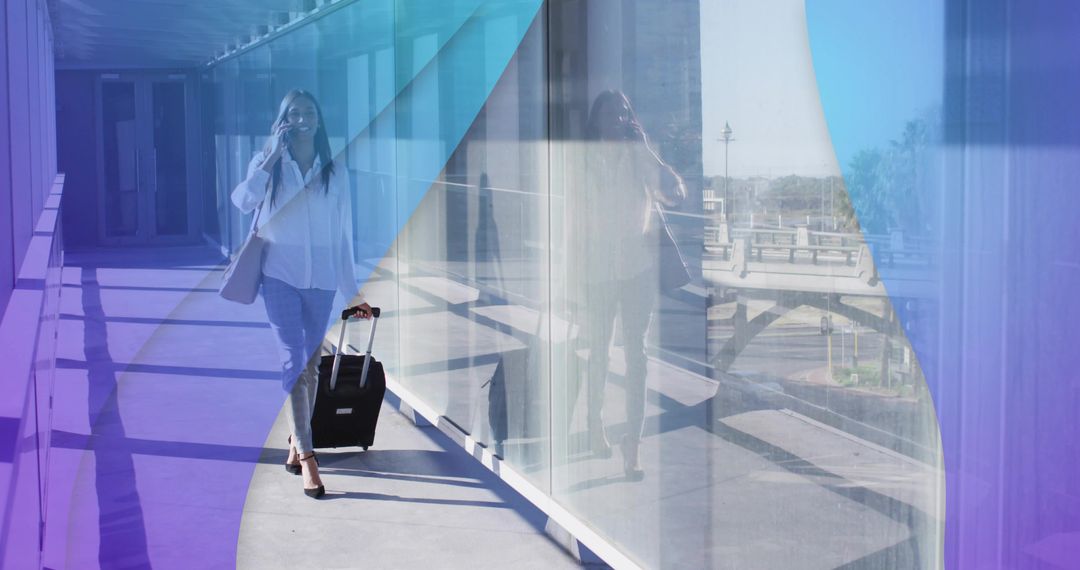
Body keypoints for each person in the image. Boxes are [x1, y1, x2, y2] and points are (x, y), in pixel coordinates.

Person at [231, 89, 372, 498]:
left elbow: (343, 235)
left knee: (309, 369)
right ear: (283, 120)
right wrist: (273, 155)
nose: (303, 118)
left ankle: (296, 441)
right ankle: (310, 458)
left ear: (319, 119)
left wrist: (352, 292)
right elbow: (242, 201)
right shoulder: (269, 164)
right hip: (280, 277)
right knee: (294, 363)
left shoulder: (335, 170)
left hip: (323, 282)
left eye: (310, 111)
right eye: (294, 113)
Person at [569, 90, 686, 480]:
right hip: (597, 271)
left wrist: (647, 152)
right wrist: (571, 284)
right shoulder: (581, 163)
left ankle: (631, 446)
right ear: (596, 118)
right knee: (598, 352)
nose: (616, 120)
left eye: (623, 114)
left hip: (637, 269)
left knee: (637, 357)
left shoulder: (638, 158)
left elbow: (675, 194)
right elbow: (573, 225)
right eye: (608, 113)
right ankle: (594, 427)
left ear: (629, 119)